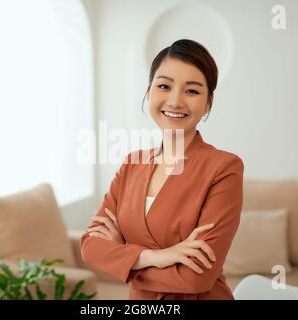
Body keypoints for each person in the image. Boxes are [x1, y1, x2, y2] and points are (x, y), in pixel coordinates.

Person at [80, 39, 244, 300]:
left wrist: (125, 260)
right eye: (164, 86)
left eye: (192, 91)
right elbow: (90, 247)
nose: (175, 101)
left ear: (208, 103)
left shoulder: (224, 168)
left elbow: (196, 278)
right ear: (148, 93)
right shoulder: (132, 164)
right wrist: (155, 257)